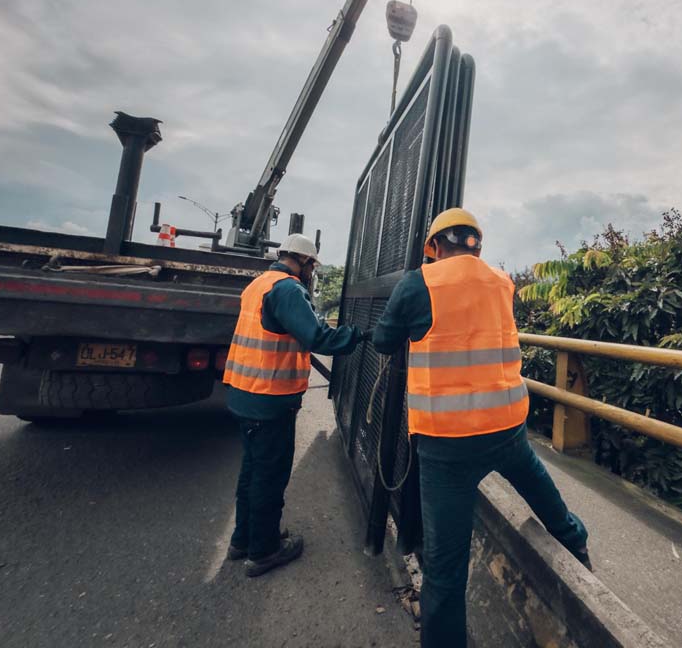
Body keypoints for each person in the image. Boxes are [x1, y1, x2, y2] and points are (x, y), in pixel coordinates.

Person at [372, 208, 590, 647]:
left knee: (445, 572)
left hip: (446, 445)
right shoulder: (501, 281)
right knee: (540, 488)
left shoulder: (418, 283)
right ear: (477, 244)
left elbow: (382, 340)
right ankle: (576, 544)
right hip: (506, 426)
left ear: (433, 247)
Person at [223, 233, 367, 577]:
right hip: (269, 398)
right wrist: (359, 334)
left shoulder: (258, 284)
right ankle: (264, 551)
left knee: (252, 471)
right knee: (269, 476)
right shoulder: (288, 289)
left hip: (243, 393)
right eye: (312, 266)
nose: (312, 272)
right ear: (304, 262)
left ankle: (244, 539)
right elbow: (318, 336)